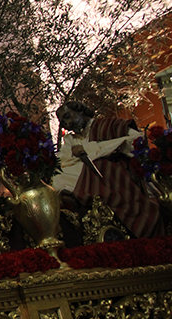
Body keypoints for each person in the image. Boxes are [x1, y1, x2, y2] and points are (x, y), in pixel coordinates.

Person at [53, 100, 161, 237]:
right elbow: (63, 160)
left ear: (80, 111)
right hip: (78, 175)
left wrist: (93, 150)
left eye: (68, 117)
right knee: (57, 176)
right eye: (63, 122)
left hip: (109, 173)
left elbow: (136, 142)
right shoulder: (70, 140)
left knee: (100, 166)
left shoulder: (109, 125)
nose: (67, 124)